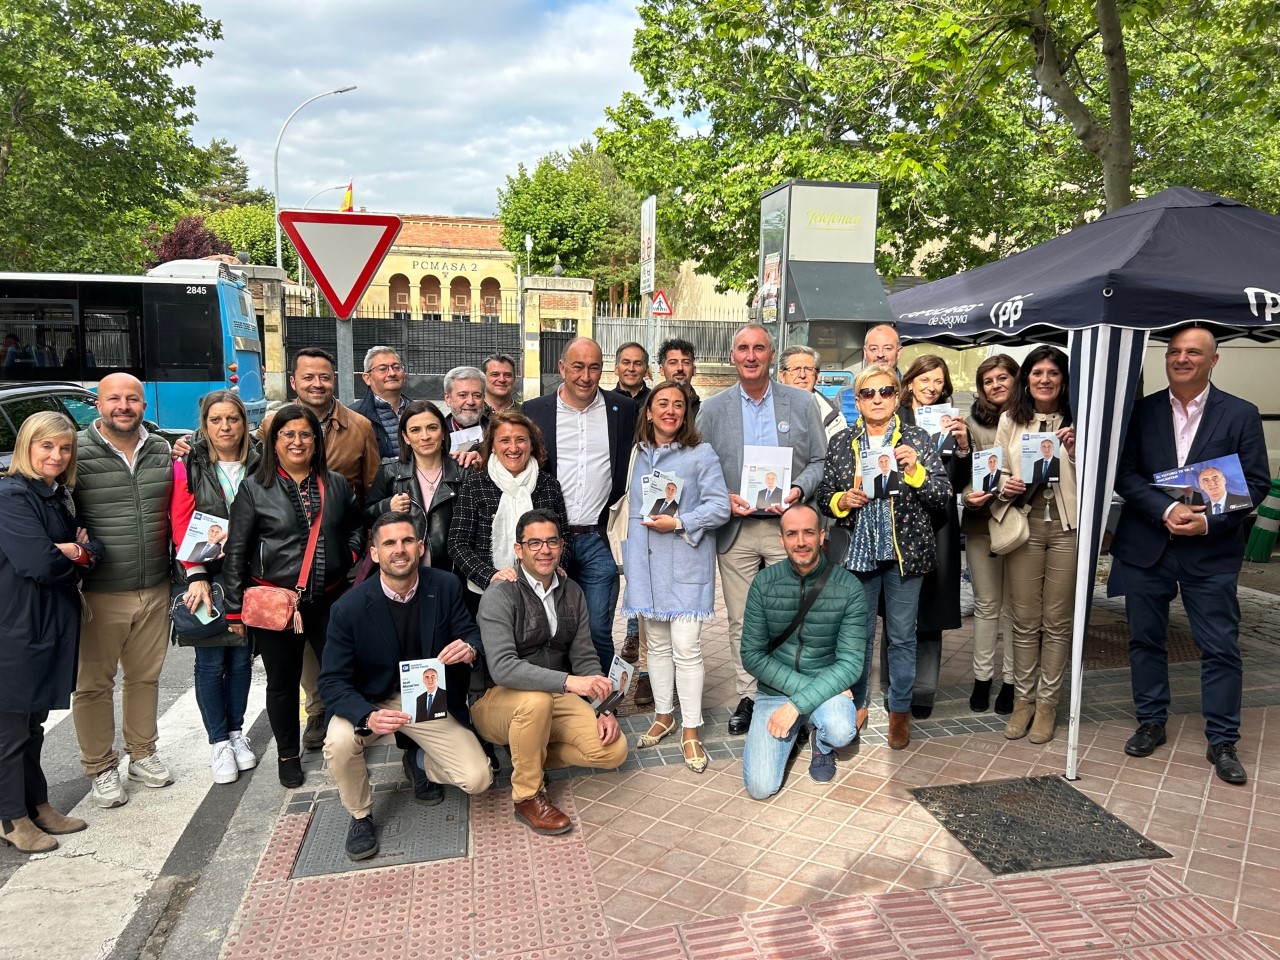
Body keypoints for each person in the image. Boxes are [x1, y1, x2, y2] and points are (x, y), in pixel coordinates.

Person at [1111, 326, 1269, 785]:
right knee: (1145, 640)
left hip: (1211, 550)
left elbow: (1256, 482)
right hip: (1148, 545)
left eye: (1193, 352)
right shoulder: (1139, 412)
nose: (1181, 359)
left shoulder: (1241, 414)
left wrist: (1208, 521)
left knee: (1220, 647)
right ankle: (1151, 721)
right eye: (1174, 351)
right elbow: (1124, 473)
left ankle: (1223, 740)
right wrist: (1166, 509)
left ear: (1213, 360)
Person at [319, 512, 491, 860]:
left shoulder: (445, 585)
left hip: (427, 698)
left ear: (420, 547)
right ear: (375, 553)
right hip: (370, 700)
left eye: (407, 540)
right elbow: (331, 681)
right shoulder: (348, 608)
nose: (400, 549)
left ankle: (420, 760)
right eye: (389, 543)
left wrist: (470, 648)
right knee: (338, 743)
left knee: (478, 779)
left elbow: (470, 632)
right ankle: (360, 815)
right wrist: (366, 716)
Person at [223, 404, 365, 788]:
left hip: (329, 599)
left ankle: (344, 745)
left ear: (316, 442)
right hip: (275, 605)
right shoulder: (254, 488)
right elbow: (236, 551)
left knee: (340, 674)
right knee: (282, 683)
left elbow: (357, 527)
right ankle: (287, 755)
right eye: (288, 434)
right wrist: (234, 610)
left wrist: (347, 557)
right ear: (274, 441)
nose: (297, 441)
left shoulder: (336, 484)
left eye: (305, 434)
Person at [699, 324, 827, 735]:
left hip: (785, 528)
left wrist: (797, 490)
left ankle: (792, 696)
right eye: (743, 348)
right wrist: (723, 497)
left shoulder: (801, 403)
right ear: (732, 356)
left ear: (772, 356)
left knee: (790, 616)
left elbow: (819, 461)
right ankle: (750, 696)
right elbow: (699, 467)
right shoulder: (712, 410)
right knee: (741, 620)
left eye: (759, 348)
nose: (751, 356)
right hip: (735, 530)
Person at [818, 364, 951, 749]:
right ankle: (857, 703)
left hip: (904, 552)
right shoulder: (842, 442)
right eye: (868, 393)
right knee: (856, 637)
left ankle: (899, 712)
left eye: (886, 391)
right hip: (858, 552)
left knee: (902, 637)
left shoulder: (917, 438)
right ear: (857, 401)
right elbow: (825, 494)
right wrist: (841, 500)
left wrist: (916, 471)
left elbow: (942, 495)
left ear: (896, 397)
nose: (877, 399)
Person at [472, 509, 628, 834]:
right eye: (535, 543)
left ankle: (526, 749)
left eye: (552, 542)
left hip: (553, 694)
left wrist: (602, 708)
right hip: (497, 698)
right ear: (519, 550)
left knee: (612, 751)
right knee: (536, 703)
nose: (544, 550)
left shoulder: (572, 592)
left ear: (561, 546)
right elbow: (502, 668)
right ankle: (527, 796)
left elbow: (585, 657)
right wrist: (570, 682)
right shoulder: (500, 594)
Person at [72, 372, 176, 808]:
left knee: (144, 677)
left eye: (132, 399)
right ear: (98, 404)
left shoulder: (162, 449)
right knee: (93, 685)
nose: (123, 406)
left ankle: (142, 753)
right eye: (113, 398)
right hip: (99, 592)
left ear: (143, 406)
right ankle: (100, 767)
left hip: (154, 585)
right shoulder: (74, 451)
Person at [0, 412, 101, 852]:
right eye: (47, 446)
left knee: (33, 723)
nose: (57, 455)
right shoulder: (10, 496)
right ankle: (11, 818)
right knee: (9, 729)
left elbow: (93, 549)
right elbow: (38, 562)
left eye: (64, 447)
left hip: (47, 622)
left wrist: (76, 550)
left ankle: (37, 804)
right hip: (16, 626)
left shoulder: (57, 495)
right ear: (26, 446)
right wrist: (74, 554)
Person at [621, 382, 731, 773]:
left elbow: (720, 507)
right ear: (649, 411)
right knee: (657, 648)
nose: (670, 410)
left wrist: (681, 521)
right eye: (662, 403)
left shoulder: (701, 453)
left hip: (685, 564)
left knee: (686, 648)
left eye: (678, 405)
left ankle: (691, 729)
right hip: (646, 567)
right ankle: (664, 715)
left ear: (686, 413)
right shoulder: (637, 454)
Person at [523, 337, 639, 673]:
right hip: (549, 540)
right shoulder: (534, 411)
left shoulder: (624, 410)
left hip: (597, 538)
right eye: (577, 367)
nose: (585, 376)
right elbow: (509, 450)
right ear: (562, 368)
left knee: (598, 629)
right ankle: (562, 692)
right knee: (549, 628)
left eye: (593, 368)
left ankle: (603, 696)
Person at [741, 505, 865, 798]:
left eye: (808, 532)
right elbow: (752, 655)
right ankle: (799, 727)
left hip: (826, 680)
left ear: (821, 536)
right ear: (781, 540)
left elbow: (850, 664)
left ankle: (821, 744)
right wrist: (805, 696)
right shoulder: (764, 583)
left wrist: (797, 704)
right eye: (792, 534)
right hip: (779, 689)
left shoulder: (849, 587)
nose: (800, 541)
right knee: (760, 788)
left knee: (840, 731)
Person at [170, 390, 261, 784]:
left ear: (244, 422)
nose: (225, 427)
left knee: (241, 658)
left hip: (248, 576)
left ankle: (237, 733)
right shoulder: (187, 463)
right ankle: (218, 742)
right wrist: (197, 574)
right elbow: (180, 520)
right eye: (216, 420)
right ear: (205, 425)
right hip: (204, 575)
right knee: (210, 661)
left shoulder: (260, 460)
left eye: (233, 419)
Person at [992, 346, 1077, 745]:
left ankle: (1047, 705)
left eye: (1053, 373)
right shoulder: (1011, 419)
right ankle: (1022, 701)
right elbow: (996, 470)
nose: (1045, 379)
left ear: (1064, 380)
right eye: (1038, 372)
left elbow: (1100, 476)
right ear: (1026, 378)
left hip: (1067, 526)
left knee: (1057, 621)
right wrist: (1004, 483)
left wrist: (1075, 452)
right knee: (1025, 620)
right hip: (1024, 524)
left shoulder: (1080, 421)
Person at [891, 355, 970, 719]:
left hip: (939, 524)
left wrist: (964, 447)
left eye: (938, 381)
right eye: (925, 379)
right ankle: (895, 684)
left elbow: (958, 481)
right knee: (897, 608)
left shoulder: (951, 421)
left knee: (932, 608)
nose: (932, 387)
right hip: (903, 521)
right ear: (910, 382)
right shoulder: (896, 419)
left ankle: (923, 689)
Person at [448, 411, 571, 616]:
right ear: (492, 446)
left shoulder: (549, 485)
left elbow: (564, 538)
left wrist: (556, 568)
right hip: (485, 593)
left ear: (531, 445)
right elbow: (457, 543)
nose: (513, 448)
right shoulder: (475, 485)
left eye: (520, 440)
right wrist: (491, 576)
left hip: (542, 592)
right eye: (504, 440)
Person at [961, 355, 1020, 714]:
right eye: (988, 381)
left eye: (1002, 378)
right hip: (981, 522)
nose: (996, 385)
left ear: (1016, 379)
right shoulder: (970, 424)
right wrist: (968, 495)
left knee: (1014, 606)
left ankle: (1011, 681)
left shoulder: (1031, 420)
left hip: (1019, 524)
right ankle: (982, 678)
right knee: (986, 604)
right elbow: (960, 473)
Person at [366, 400, 467, 581]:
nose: (425, 436)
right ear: (405, 437)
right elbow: (366, 516)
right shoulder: (390, 472)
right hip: (404, 575)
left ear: (444, 432)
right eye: (415, 430)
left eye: (432, 428)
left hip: (453, 574)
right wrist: (387, 507)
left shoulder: (464, 471)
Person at [350, 346, 413, 459]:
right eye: (383, 369)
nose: (392, 373)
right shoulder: (353, 416)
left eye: (396, 367)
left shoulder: (419, 411)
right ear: (367, 378)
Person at [835, 323, 903, 423]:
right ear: (865, 352)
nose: (880, 354)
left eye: (887, 348)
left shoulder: (911, 391)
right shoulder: (845, 395)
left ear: (899, 352)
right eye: (874, 349)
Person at [780, 344, 847, 440]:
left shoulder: (833, 417)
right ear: (782, 376)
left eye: (808, 369)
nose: (802, 375)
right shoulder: (767, 406)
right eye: (795, 369)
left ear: (817, 376)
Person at [442, 365, 488, 469]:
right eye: (462, 395)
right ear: (448, 399)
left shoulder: (496, 433)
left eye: (477, 395)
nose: (471, 402)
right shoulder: (437, 435)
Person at [657, 337, 701, 420]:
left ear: (694, 370)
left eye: (686, 363)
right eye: (673, 363)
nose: (680, 368)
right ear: (662, 370)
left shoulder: (704, 412)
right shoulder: (650, 409)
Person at [482, 353, 521, 417]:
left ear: (514, 379)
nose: (502, 380)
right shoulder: (473, 411)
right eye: (495, 374)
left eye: (507, 375)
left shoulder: (525, 413)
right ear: (483, 378)